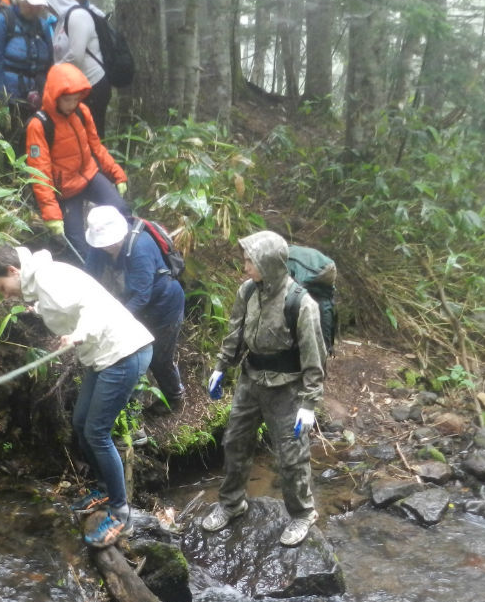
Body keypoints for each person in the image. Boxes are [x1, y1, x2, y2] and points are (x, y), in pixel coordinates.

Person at [0, 244, 153, 547]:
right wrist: (43, 311)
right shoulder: (41, 283)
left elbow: (91, 307)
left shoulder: (49, 278)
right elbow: (64, 305)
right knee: (82, 424)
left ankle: (122, 515)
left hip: (124, 353)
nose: (5, 296)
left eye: (2, 288)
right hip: (106, 357)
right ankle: (105, 489)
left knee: (97, 432)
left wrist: (79, 333)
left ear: (12, 271)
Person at [202, 230, 326, 547]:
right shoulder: (248, 292)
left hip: (288, 389)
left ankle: (302, 514)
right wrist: (220, 367)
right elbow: (235, 334)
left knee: (290, 456)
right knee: (234, 442)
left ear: (268, 263)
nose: (245, 268)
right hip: (250, 378)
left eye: (250, 262)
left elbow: (315, 359)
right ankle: (232, 503)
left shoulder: (301, 303)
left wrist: (309, 404)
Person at [84, 206, 185, 413]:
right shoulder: (98, 248)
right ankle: (131, 412)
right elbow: (89, 278)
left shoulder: (141, 247)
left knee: (159, 358)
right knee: (132, 355)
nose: (107, 247)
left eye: (111, 242)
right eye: (102, 243)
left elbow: (141, 296)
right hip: (132, 307)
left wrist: (111, 321)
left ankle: (175, 398)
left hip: (164, 308)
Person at [24, 63, 128, 262]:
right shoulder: (39, 125)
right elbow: (39, 173)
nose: (72, 104)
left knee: (121, 210)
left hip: (89, 176)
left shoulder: (81, 112)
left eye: (75, 99)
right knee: (77, 245)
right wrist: (51, 214)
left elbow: (97, 147)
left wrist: (117, 174)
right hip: (66, 190)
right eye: (67, 100)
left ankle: (122, 261)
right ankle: (94, 274)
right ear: (55, 97)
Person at [47, 0, 112, 137]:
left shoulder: (79, 15)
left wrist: (54, 73)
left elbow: (76, 56)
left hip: (93, 86)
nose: (44, 6)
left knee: (93, 136)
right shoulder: (61, 18)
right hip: (76, 88)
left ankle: (99, 163)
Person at [0, 0, 52, 113]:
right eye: (30, 3)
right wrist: (0, 103)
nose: (35, 8)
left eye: (38, 4)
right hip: (10, 102)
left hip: (37, 102)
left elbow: (50, 64)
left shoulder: (43, 26)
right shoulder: (3, 21)